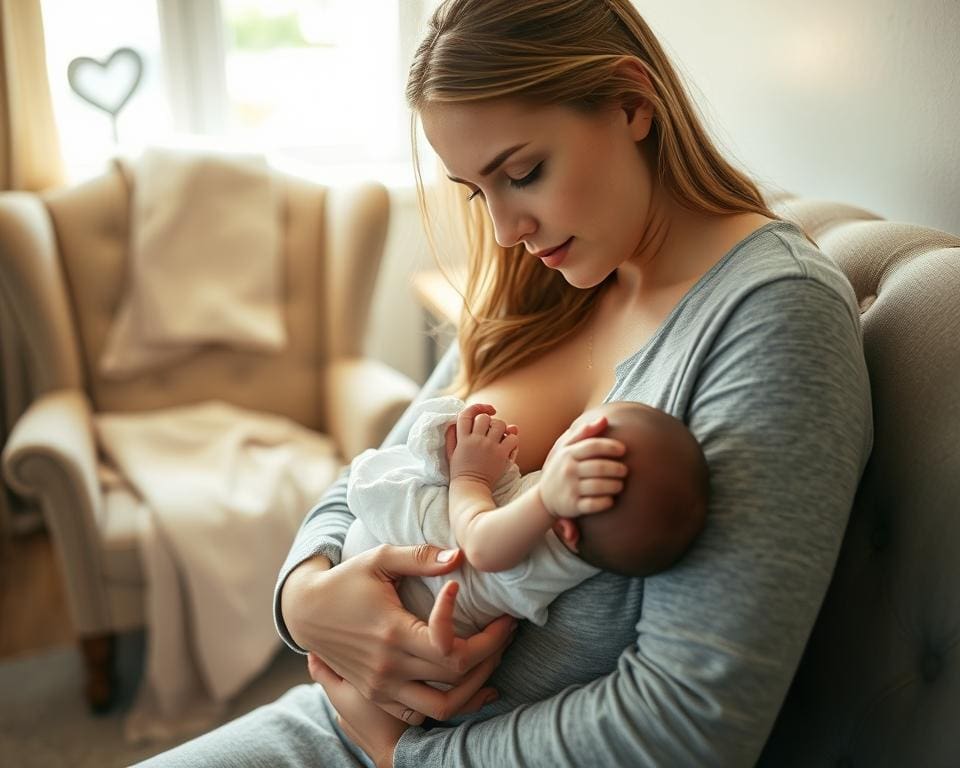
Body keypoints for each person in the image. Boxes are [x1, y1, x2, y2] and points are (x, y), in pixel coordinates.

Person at [142, 0, 872, 765]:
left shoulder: (771, 313)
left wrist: (402, 756)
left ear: (632, 103)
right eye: (474, 191)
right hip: (333, 724)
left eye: (522, 173)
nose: (501, 231)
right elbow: (378, 472)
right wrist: (304, 600)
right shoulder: (552, 280)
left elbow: (689, 725)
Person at [342, 397, 709, 640]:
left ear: (565, 524)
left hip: (401, 625)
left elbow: (478, 541)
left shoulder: (536, 555)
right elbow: (513, 500)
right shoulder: (569, 532)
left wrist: (472, 475)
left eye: (570, 445)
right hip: (363, 603)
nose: (565, 433)